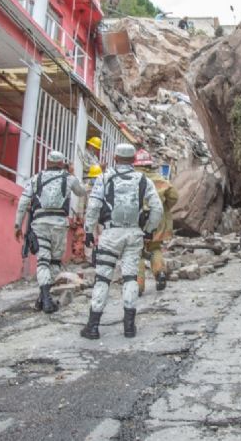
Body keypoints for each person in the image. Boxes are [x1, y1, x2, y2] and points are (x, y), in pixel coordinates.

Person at [81, 143, 163, 339]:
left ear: (115, 158)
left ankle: (93, 326)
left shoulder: (104, 178)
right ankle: (129, 327)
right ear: (134, 160)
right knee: (130, 278)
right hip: (134, 234)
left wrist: (89, 231)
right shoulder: (143, 180)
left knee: (102, 278)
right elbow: (157, 208)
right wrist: (149, 230)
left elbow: (93, 206)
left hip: (110, 234)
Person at [15, 150, 86, 313]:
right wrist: (72, 173)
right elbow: (82, 191)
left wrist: (17, 225)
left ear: (47, 162)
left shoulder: (36, 178)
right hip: (59, 225)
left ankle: (43, 298)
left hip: (40, 224)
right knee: (54, 262)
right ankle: (46, 299)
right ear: (62, 163)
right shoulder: (68, 178)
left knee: (42, 261)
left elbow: (23, 201)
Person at [133, 148, 179, 295]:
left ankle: (138, 286)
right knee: (155, 248)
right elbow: (174, 196)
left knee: (137, 252)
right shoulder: (160, 180)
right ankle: (160, 273)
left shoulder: (129, 179)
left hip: (135, 221)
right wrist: (165, 206)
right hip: (157, 220)